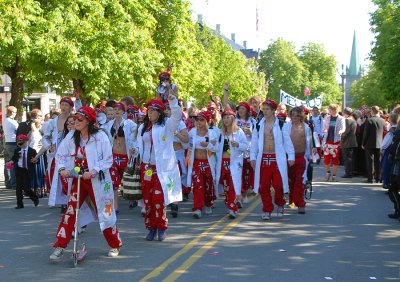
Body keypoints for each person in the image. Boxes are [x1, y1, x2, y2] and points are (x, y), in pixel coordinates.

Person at [49, 106, 122, 260]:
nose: (76, 122)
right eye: (75, 119)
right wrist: (63, 169)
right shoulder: (71, 136)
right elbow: (60, 155)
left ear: (88, 121)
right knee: (70, 211)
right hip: (79, 180)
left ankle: (114, 244)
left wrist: (94, 170)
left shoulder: (100, 137)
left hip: (98, 181)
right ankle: (60, 246)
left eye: (80, 119)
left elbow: (108, 159)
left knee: (106, 211)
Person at [135, 95, 182, 241]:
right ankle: (151, 228)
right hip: (146, 167)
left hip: (162, 168)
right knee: (148, 200)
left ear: (160, 113)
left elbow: (178, 116)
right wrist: (134, 151)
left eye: (153, 110)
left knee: (158, 199)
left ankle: (161, 227)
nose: (149, 113)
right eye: (148, 110)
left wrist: (173, 102)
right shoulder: (143, 127)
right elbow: (139, 145)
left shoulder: (167, 125)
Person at [250, 99, 295, 220]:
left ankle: (280, 203)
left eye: (267, 109)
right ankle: (267, 208)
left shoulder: (281, 125)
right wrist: (253, 157)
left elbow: (287, 142)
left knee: (278, 185)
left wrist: (291, 156)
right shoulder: (258, 125)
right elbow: (254, 143)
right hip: (263, 158)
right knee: (263, 187)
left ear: (273, 110)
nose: (265, 111)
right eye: (263, 109)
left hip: (277, 158)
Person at [37, 97, 80, 213]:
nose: (64, 107)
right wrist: (49, 146)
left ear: (71, 107)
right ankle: (63, 202)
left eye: (66, 105)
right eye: (62, 105)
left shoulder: (75, 119)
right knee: (59, 178)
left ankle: (71, 201)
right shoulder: (53, 122)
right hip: (57, 154)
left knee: (72, 176)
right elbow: (45, 137)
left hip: (72, 153)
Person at [103, 102, 137, 214]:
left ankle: (133, 198)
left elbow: (138, 132)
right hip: (113, 156)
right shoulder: (108, 124)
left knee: (127, 180)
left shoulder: (129, 123)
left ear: (123, 112)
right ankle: (115, 207)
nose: (116, 111)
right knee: (113, 183)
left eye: (119, 109)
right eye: (115, 109)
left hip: (125, 156)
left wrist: (133, 147)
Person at [215, 109, 248, 219]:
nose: (226, 120)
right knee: (226, 186)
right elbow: (214, 147)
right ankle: (230, 203)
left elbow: (245, 147)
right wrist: (211, 144)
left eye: (228, 117)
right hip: (222, 163)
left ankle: (232, 208)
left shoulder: (239, 132)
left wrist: (237, 144)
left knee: (233, 184)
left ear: (233, 118)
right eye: (224, 117)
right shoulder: (220, 133)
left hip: (234, 163)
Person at [187, 111, 218, 218]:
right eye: (197, 119)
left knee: (208, 185)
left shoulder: (212, 133)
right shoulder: (192, 132)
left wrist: (208, 145)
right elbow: (186, 144)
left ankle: (208, 203)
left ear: (207, 121)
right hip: (195, 163)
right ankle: (197, 208)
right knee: (197, 185)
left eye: (201, 119)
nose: (198, 122)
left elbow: (216, 148)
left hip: (208, 163)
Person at [284, 107, 312, 214]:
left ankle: (300, 203)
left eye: (297, 115)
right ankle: (291, 200)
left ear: (301, 116)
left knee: (299, 182)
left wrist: (309, 156)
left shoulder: (306, 128)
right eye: (293, 115)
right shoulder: (286, 127)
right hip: (288, 158)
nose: (294, 117)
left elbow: (308, 143)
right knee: (290, 180)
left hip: (301, 157)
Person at [164, 101, 188, 216]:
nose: (168, 111)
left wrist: (176, 134)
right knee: (166, 178)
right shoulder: (162, 123)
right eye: (167, 109)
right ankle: (169, 200)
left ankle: (175, 203)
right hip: (166, 155)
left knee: (177, 178)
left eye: (170, 109)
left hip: (178, 154)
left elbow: (186, 139)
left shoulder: (181, 123)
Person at [8, 134, 39, 209]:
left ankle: (35, 198)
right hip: (19, 170)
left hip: (27, 171)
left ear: (26, 142)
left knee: (26, 188)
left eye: (21, 143)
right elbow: (14, 158)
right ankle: (20, 204)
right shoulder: (17, 150)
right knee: (18, 188)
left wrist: (35, 160)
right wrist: (11, 162)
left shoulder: (32, 151)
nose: (20, 145)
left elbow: (37, 161)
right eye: (19, 144)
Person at [235, 101, 256, 205]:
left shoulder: (252, 121)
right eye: (239, 109)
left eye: (243, 109)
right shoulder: (234, 120)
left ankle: (244, 194)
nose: (240, 110)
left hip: (248, 151)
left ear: (247, 111)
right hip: (236, 151)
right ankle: (238, 195)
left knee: (247, 174)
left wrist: (251, 133)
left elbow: (257, 137)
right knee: (238, 174)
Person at [362, 106, 386, 183]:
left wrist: (363, 143)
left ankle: (370, 178)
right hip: (380, 143)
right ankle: (378, 178)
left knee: (370, 161)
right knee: (377, 161)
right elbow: (385, 131)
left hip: (369, 144)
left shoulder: (369, 120)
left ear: (372, 111)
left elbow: (366, 133)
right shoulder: (383, 120)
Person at [322, 104, 345, 182]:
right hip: (327, 140)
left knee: (335, 159)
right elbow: (324, 127)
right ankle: (328, 172)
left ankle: (334, 175)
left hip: (336, 141)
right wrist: (324, 130)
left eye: (330, 110)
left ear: (335, 110)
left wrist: (341, 131)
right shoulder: (327, 117)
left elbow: (343, 128)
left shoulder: (341, 118)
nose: (329, 111)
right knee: (326, 159)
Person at [381, 114, 398, 188]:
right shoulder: (395, 128)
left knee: (387, 166)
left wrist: (382, 147)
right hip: (392, 149)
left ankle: (387, 183)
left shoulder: (393, 129)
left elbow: (387, 141)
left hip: (389, 149)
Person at [3, 106, 18, 190]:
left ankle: (8, 183)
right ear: (12, 112)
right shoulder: (13, 122)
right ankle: (14, 184)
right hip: (13, 144)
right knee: (13, 164)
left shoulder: (5, 120)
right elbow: (18, 130)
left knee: (7, 164)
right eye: (15, 112)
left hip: (7, 144)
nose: (15, 114)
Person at [340, 107, 358, 178]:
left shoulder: (347, 120)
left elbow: (345, 132)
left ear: (345, 113)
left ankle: (348, 173)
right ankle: (350, 172)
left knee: (347, 158)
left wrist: (341, 140)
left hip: (347, 142)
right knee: (350, 158)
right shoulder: (353, 119)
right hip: (352, 141)